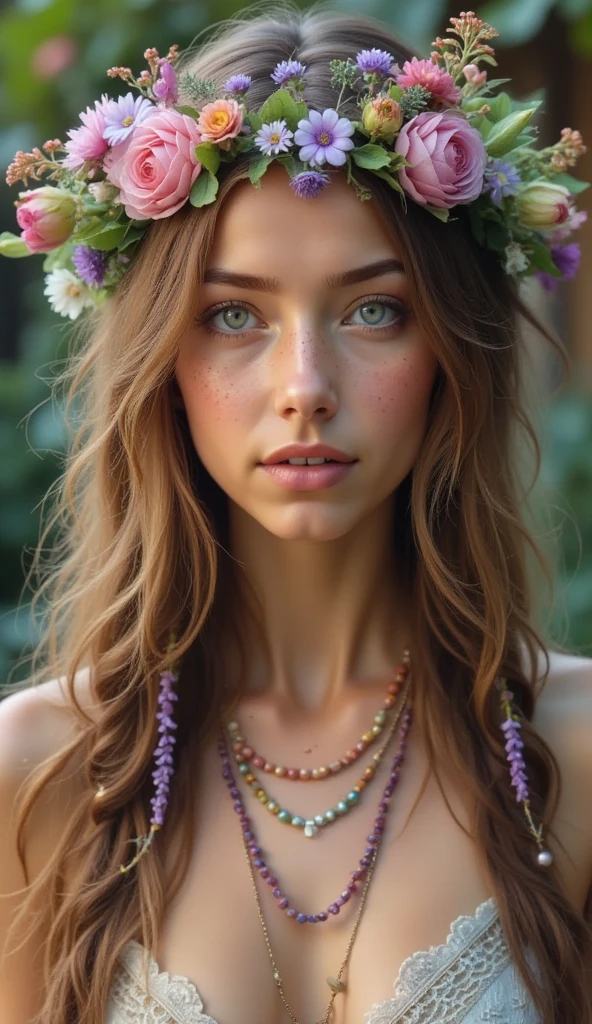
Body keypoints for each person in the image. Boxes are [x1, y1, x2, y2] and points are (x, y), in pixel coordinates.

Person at [0, 4, 590, 1023]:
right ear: (161, 362)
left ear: (454, 349)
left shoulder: (574, 758)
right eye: (235, 315)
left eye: (374, 309)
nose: (305, 385)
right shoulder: (34, 776)